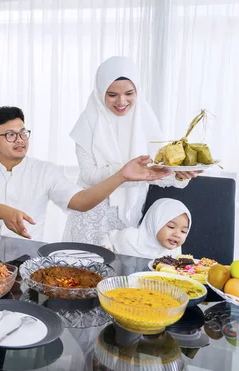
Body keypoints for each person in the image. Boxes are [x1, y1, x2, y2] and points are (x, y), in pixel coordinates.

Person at [0, 106, 171, 241]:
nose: (21, 139)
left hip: (26, 256)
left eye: (23, 132)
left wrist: (121, 176)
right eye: (10, 135)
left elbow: (81, 201)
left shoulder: (45, 170)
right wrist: (3, 212)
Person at [63, 56, 200, 245]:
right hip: (92, 217)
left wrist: (178, 175)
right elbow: (89, 175)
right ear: (100, 91)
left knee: (122, 271)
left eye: (129, 93)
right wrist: (124, 173)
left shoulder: (146, 121)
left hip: (128, 220)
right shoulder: (88, 122)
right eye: (112, 95)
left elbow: (153, 171)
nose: (121, 101)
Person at [99, 198, 192, 259]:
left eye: (183, 231)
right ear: (154, 223)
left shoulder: (175, 249)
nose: (177, 234)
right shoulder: (129, 237)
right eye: (171, 226)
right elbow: (108, 237)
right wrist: (106, 248)